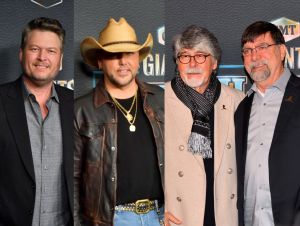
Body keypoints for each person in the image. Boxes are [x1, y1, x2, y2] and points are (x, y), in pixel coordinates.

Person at [74, 17, 164, 226]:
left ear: (138, 57)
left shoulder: (161, 99)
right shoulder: (81, 110)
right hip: (111, 220)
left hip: (160, 216)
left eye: (130, 53)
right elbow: (73, 180)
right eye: (114, 55)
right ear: (99, 61)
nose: (123, 61)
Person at [165, 25, 244, 226]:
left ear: (214, 63)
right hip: (180, 217)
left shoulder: (237, 101)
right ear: (177, 62)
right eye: (185, 56)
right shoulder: (158, 101)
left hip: (224, 217)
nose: (192, 63)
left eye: (201, 56)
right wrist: (156, 211)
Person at [0, 17, 73, 226]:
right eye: (34, 49)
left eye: (51, 51)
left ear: (60, 59)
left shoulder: (76, 105)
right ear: (21, 54)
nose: (42, 57)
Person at [235, 21, 300, 226]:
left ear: (282, 51)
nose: (254, 57)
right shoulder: (241, 109)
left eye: (262, 47)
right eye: (247, 50)